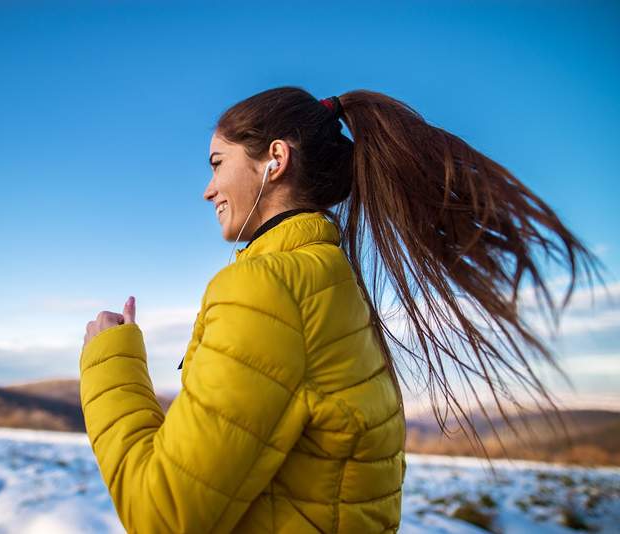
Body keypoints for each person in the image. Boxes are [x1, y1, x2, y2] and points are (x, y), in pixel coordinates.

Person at [79, 87, 608, 533]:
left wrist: (112, 361)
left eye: (218, 164)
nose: (207, 189)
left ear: (275, 160)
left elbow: (164, 512)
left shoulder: (268, 288)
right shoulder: (333, 282)